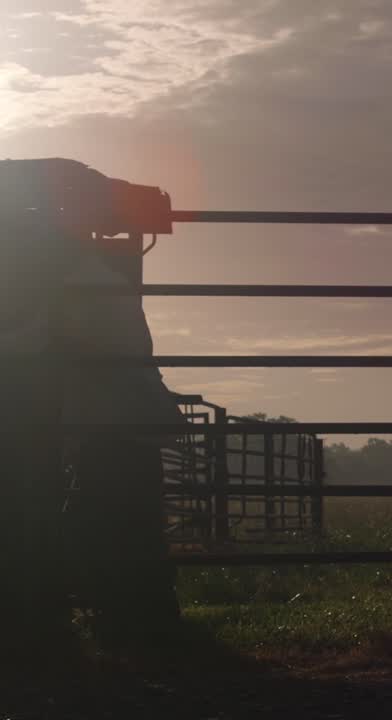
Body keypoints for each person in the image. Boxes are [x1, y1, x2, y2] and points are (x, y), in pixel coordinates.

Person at [0, 158, 184, 644]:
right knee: (110, 502)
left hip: (77, 407)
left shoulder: (48, 267)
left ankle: (45, 613)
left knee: (42, 498)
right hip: (104, 407)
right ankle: (126, 612)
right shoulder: (82, 271)